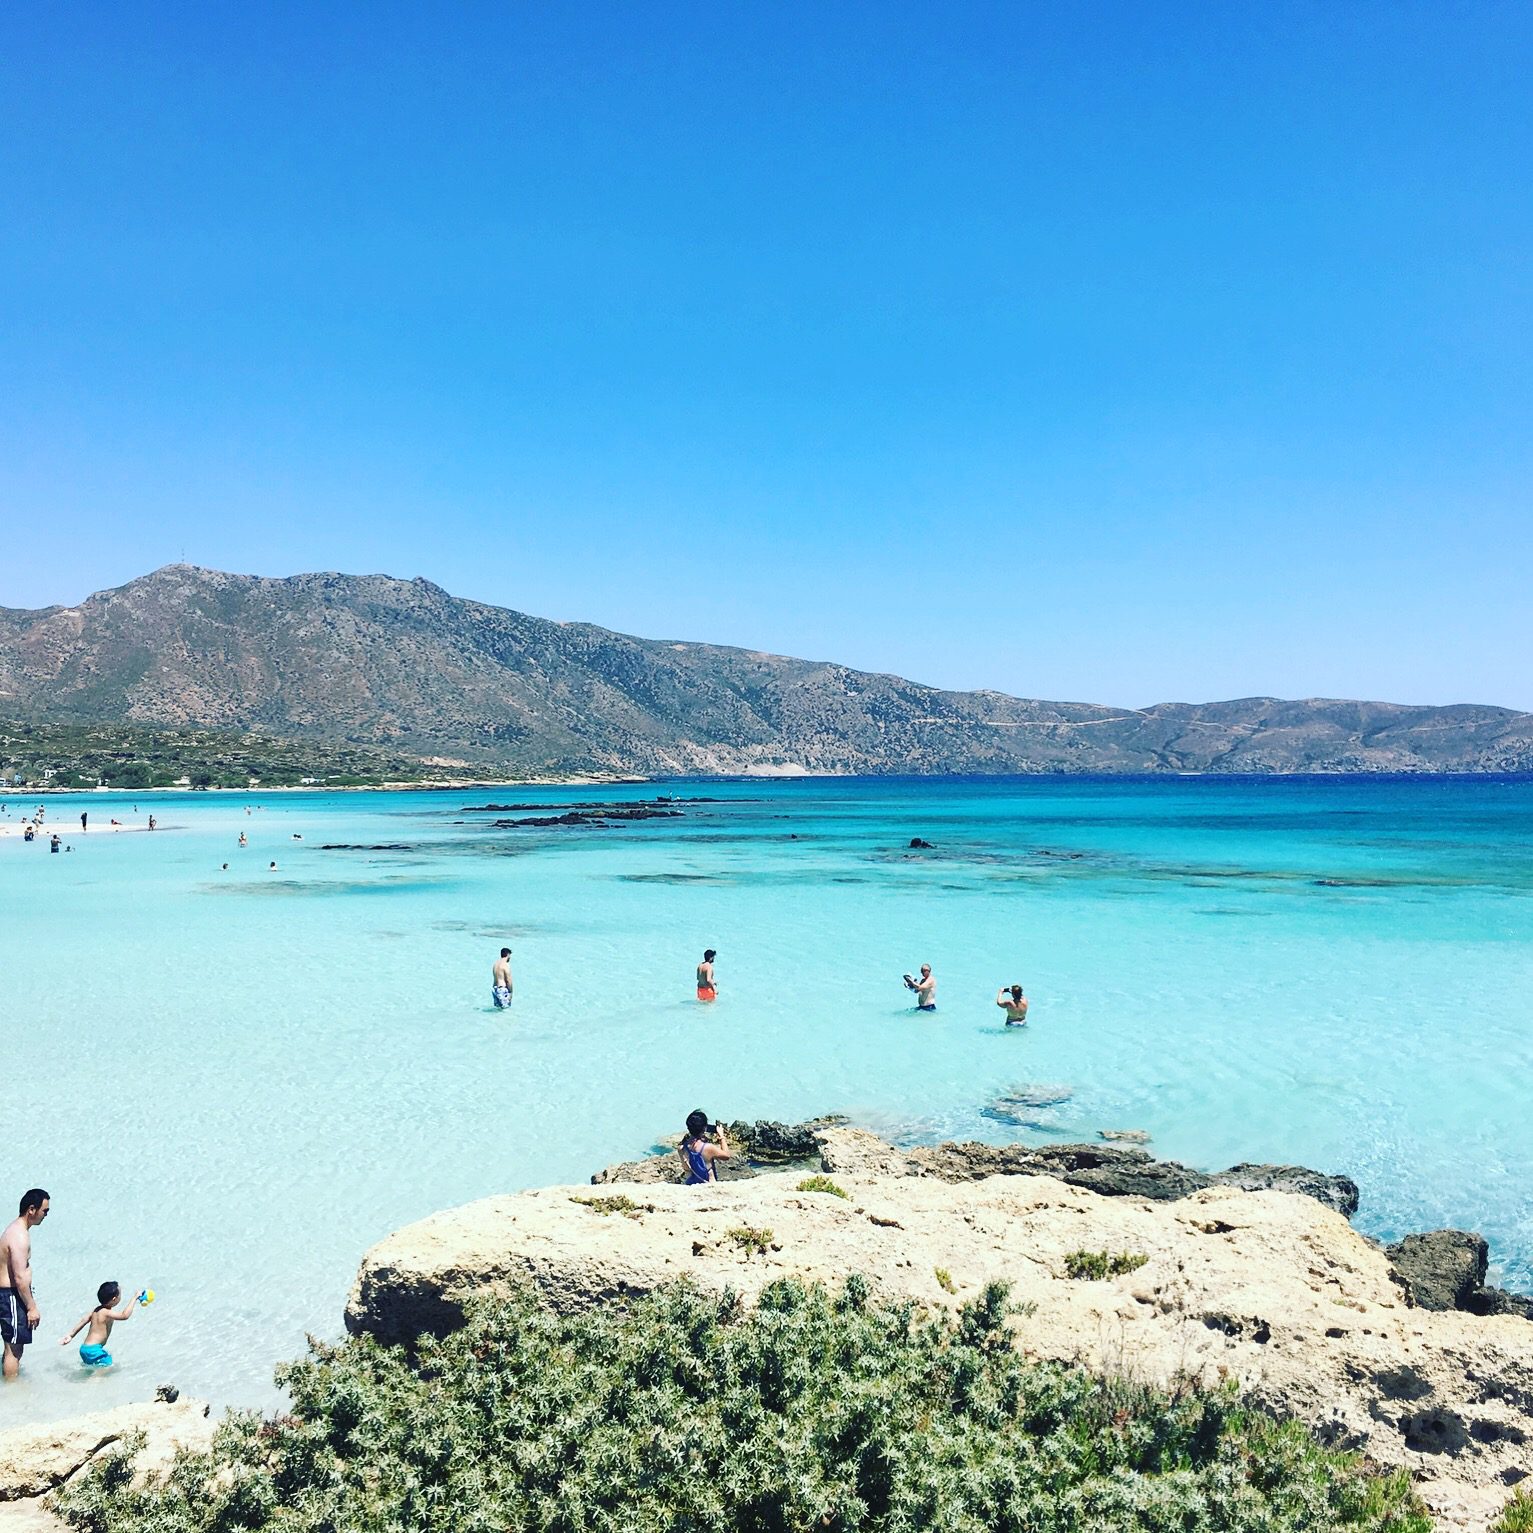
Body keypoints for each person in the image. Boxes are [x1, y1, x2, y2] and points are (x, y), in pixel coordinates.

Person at [1, 1188, 50, 1381]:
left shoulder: (14, 1230)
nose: (46, 1215)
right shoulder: (19, 1236)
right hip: (11, 1295)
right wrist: (32, 1307)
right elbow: (20, 1277)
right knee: (14, 1348)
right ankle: (12, 1391)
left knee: (10, 1345)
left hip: (9, 1295)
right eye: (44, 1210)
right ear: (32, 1209)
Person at [60, 1281, 138, 1368]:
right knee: (107, 1365)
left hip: (85, 1349)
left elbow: (83, 1321)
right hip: (94, 1350)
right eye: (120, 1294)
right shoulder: (106, 1312)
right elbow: (124, 1315)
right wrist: (134, 1298)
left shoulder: (96, 1310)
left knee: (95, 1368)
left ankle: (90, 1379)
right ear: (114, 1299)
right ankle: (93, 1381)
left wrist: (71, 1335)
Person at [678, 1110, 730, 1184]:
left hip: (691, 1183)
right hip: (708, 1182)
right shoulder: (708, 1148)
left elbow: (687, 1170)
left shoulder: (682, 1148)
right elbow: (726, 1156)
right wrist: (721, 1136)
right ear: (705, 1128)